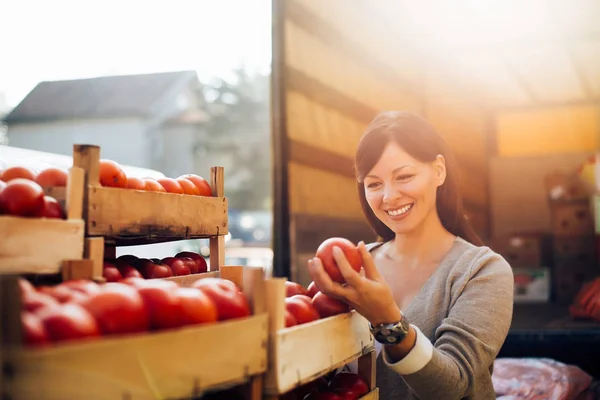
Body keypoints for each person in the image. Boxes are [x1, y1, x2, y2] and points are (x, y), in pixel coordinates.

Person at [308, 111, 514, 399]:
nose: (389, 196)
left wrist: (388, 321)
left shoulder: (482, 271)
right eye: (374, 184)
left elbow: (451, 386)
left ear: (439, 170)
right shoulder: (350, 268)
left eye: (404, 176)